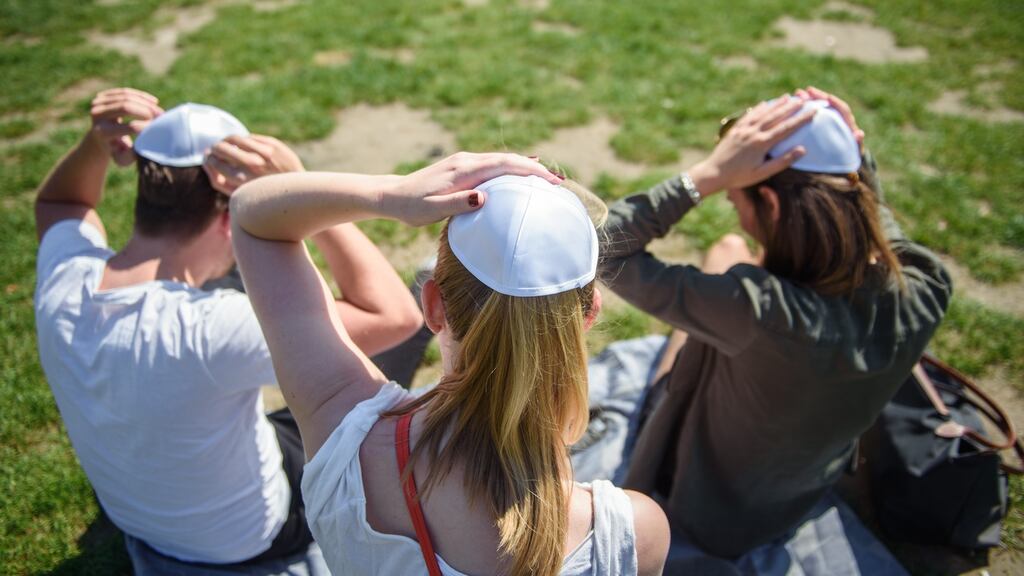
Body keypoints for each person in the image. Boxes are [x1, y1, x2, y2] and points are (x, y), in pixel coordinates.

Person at [33, 87, 421, 571]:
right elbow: (391, 317)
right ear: (229, 220)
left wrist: (94, 145)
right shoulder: (211, 328)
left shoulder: (65, 276)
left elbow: (59, 203)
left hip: (147, 515)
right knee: (385, 345)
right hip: (252, 535)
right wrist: (300, 184)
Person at [229, 156, 672, 575]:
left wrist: (391, 195)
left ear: (433, 305)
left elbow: (253, 217)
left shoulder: (346, 440)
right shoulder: (631, 535)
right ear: (590, 312)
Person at [591, 88, 952, 561]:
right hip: (793, 497)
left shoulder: (759, 311)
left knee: (724, 255)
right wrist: (853, 163)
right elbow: (877, 225)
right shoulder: (926, 284)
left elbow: (603, 248)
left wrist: (705, 177)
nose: (735, 211)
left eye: (735, 197)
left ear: (773, 205)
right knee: (729, 251)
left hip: (700, 510)